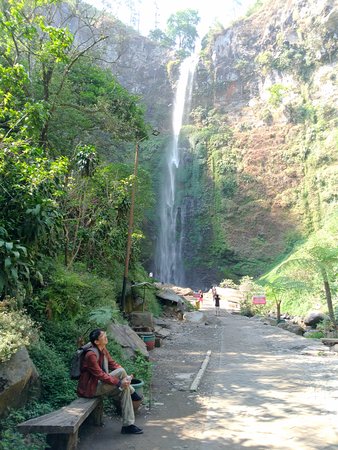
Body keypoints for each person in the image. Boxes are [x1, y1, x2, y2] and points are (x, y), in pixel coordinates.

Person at [77, 328, 143, 435]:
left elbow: (113, 364)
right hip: (91, 389)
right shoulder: (91, 355)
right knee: (123, 379)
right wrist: (119, 382)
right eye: (103, 336)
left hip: (100, 385)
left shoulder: (103, 349)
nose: (106, 337)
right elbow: (100, 375)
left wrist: (124, 379)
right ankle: (133, 392)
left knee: (124, 388)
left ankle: (128, 425)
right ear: (96, 341)